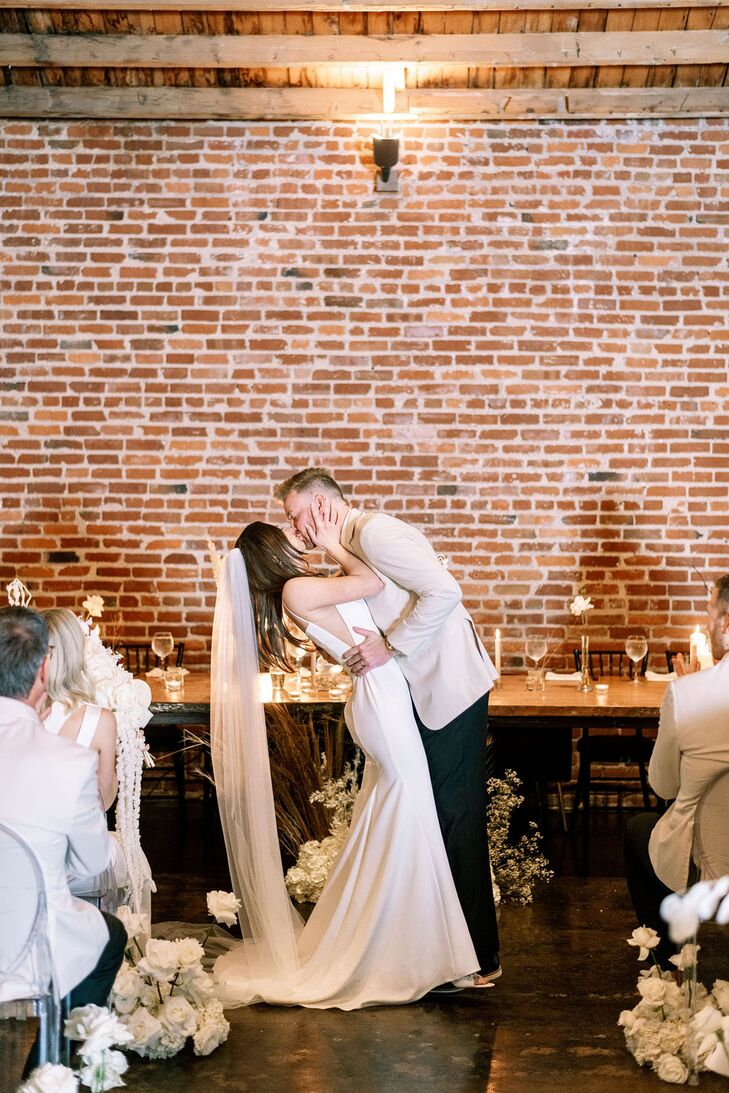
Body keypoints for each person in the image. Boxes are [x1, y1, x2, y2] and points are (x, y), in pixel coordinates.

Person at [211, 506, 481, 1008]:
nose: (299, 532)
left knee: (395, 816)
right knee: (410, 813)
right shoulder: (296, 590)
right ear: (273, 552)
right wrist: (335, 542)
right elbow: (373, 583)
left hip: (384, 696)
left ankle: (409, 945)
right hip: (381, 700)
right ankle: (417, 952)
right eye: (288, 532)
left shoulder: (301, 588)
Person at [274, 468, 500, 987]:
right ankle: (448, 951)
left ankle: (481, 959)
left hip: (447, 683)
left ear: (322, 504)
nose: (295, 527)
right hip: (413, 690)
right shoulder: (349, 545)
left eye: (296, 515)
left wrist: (390, 645)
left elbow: (445, 592)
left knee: (454, 815)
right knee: (436, 814)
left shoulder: (373, 534)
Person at [0, 606, 126, 1075]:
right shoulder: (67, 761)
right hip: (23, 946)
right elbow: (93, 859)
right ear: (41, 670)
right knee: (109, 938)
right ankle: (45, 1074)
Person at [625, 575, 729, 966]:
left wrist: (687, 695)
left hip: (705, 867)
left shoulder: (687, 694)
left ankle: (667, 959)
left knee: (639, 828)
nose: (705, 624)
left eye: (708, 613)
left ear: (727, 623)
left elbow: (663, 784)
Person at [41, 608, 129, 906]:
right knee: (119, 854)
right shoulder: (101, 720)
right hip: (78, 862)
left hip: (24, 855)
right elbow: (104, 800)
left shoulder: (17, 715)